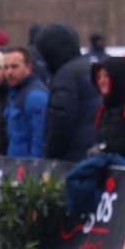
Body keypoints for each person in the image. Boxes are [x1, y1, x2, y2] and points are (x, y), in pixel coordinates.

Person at [39, 22, 98, 160]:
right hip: (93, 148)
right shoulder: (89, 66)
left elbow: (61, 119)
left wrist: (51, 153)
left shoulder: (65, 76)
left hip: (74, 154)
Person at [3, 46, 47, 157]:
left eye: (14, 67)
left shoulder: (35, 96)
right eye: (6, 67)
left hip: (26, 169)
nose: (9, 72)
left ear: (28, 68)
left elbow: (39, 140)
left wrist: (32, 171)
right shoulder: (15, 93)